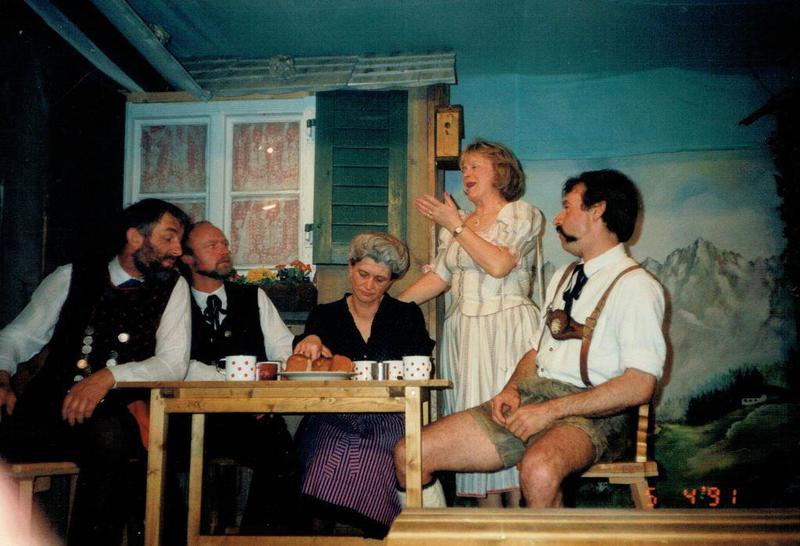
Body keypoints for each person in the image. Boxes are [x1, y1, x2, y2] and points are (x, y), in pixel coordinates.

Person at [394, 169, 666, 508]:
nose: (558, 218)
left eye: (567, 207)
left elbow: (639, 386)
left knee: (538, 470)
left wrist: (550, 412)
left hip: (597, 414)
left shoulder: (637, 286)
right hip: (536, 398)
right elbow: (536, 352)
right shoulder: (565, 276)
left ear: (597, 210)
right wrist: (511, 389)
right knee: (411, 453)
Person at [0, 198, 191, 544]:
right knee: (123, 442)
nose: (178, 249)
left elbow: (173, 363)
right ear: (135, 237)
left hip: (116, 416)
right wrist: (1, 373)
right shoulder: (71, 276)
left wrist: (107, 378)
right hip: (51, 413)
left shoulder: (173, 286)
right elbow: (18, 337)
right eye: (168, 237)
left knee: (121, 438)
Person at [398, 139, 543, 507]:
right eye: (464, 168)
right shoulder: (457, 222)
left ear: (501, 171)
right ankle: (487, 525)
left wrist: (456, 225)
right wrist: (389, 308)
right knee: (475, 434)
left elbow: (499, 265)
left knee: (510, 424)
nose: (467, 173)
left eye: (476, 166)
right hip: (465, 334)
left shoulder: (520, 213)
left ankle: (522, 523)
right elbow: (440, 278)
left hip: (507, 329)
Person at [293, 232, 434, 538]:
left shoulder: (406, 315)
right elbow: (306, 347)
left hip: (390, 416)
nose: (369, 285)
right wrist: (310, 340)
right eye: (363, 274)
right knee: (324, 456)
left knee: (376, 457)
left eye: (380, 279)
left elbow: (420, 366)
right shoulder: (325, 315)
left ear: (392, 281)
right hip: (333, 415)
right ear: (350, 267)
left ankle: (382, 538)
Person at [177, 220, 301, 534]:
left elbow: (285, 350)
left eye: (224, 244)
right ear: (188, 259)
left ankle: (256, 537)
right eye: (212, 246)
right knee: (163, 463)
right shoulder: (172, 301)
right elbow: (172, 363)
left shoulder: (253, 297)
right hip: (187, 416)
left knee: (282, 456)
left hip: (248, 416)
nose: (223, 250)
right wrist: (228, 379)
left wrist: (269, 383)